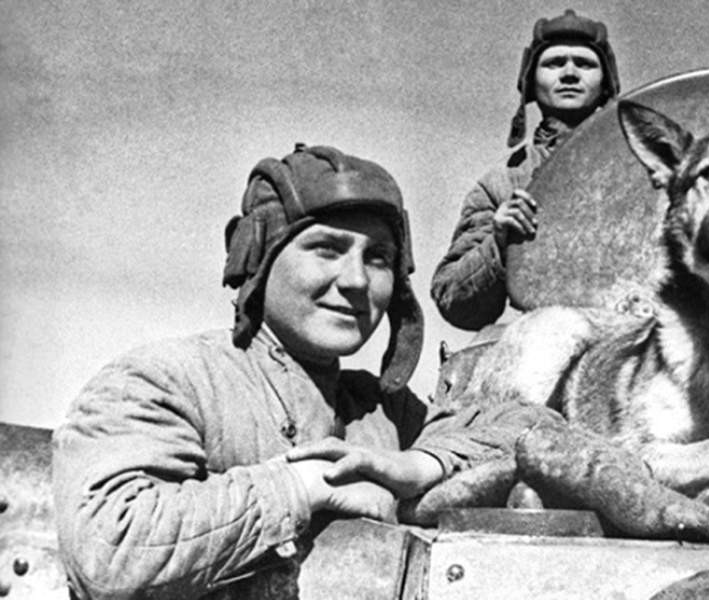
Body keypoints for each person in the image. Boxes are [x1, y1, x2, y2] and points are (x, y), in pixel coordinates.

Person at [52, 145, 548, 599]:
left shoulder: (385, 412)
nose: (356, 280)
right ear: (259, 257)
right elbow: (107, 552)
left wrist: (421, 464)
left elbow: (536, 431)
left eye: (378, 258)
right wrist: (306, 485)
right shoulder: (166, 380)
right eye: (327, 248)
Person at [430, 9, 620, 330]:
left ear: (606, 83)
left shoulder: (645, 165)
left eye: (584, 63)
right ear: (532, 81)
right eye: (554, 63)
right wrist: (499, 242)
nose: (570, 74)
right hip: (544, 334)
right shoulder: (501, 184)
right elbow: (454, 301)